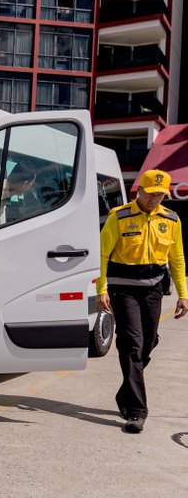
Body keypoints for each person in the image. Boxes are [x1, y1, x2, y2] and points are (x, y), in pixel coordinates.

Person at [96, 169, 188, 434]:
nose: (155, 199)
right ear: (140, 192)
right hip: (123, 289)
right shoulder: (119, 216)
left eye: (160, 195)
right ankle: (137, 410)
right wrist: (101, 288)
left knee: (149, 341)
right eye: (150, 194)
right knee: (133, 345)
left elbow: (177, 258)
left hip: (153, 290)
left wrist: (183, 294)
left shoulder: (171, 219)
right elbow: (102, 255)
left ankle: (125, 392)